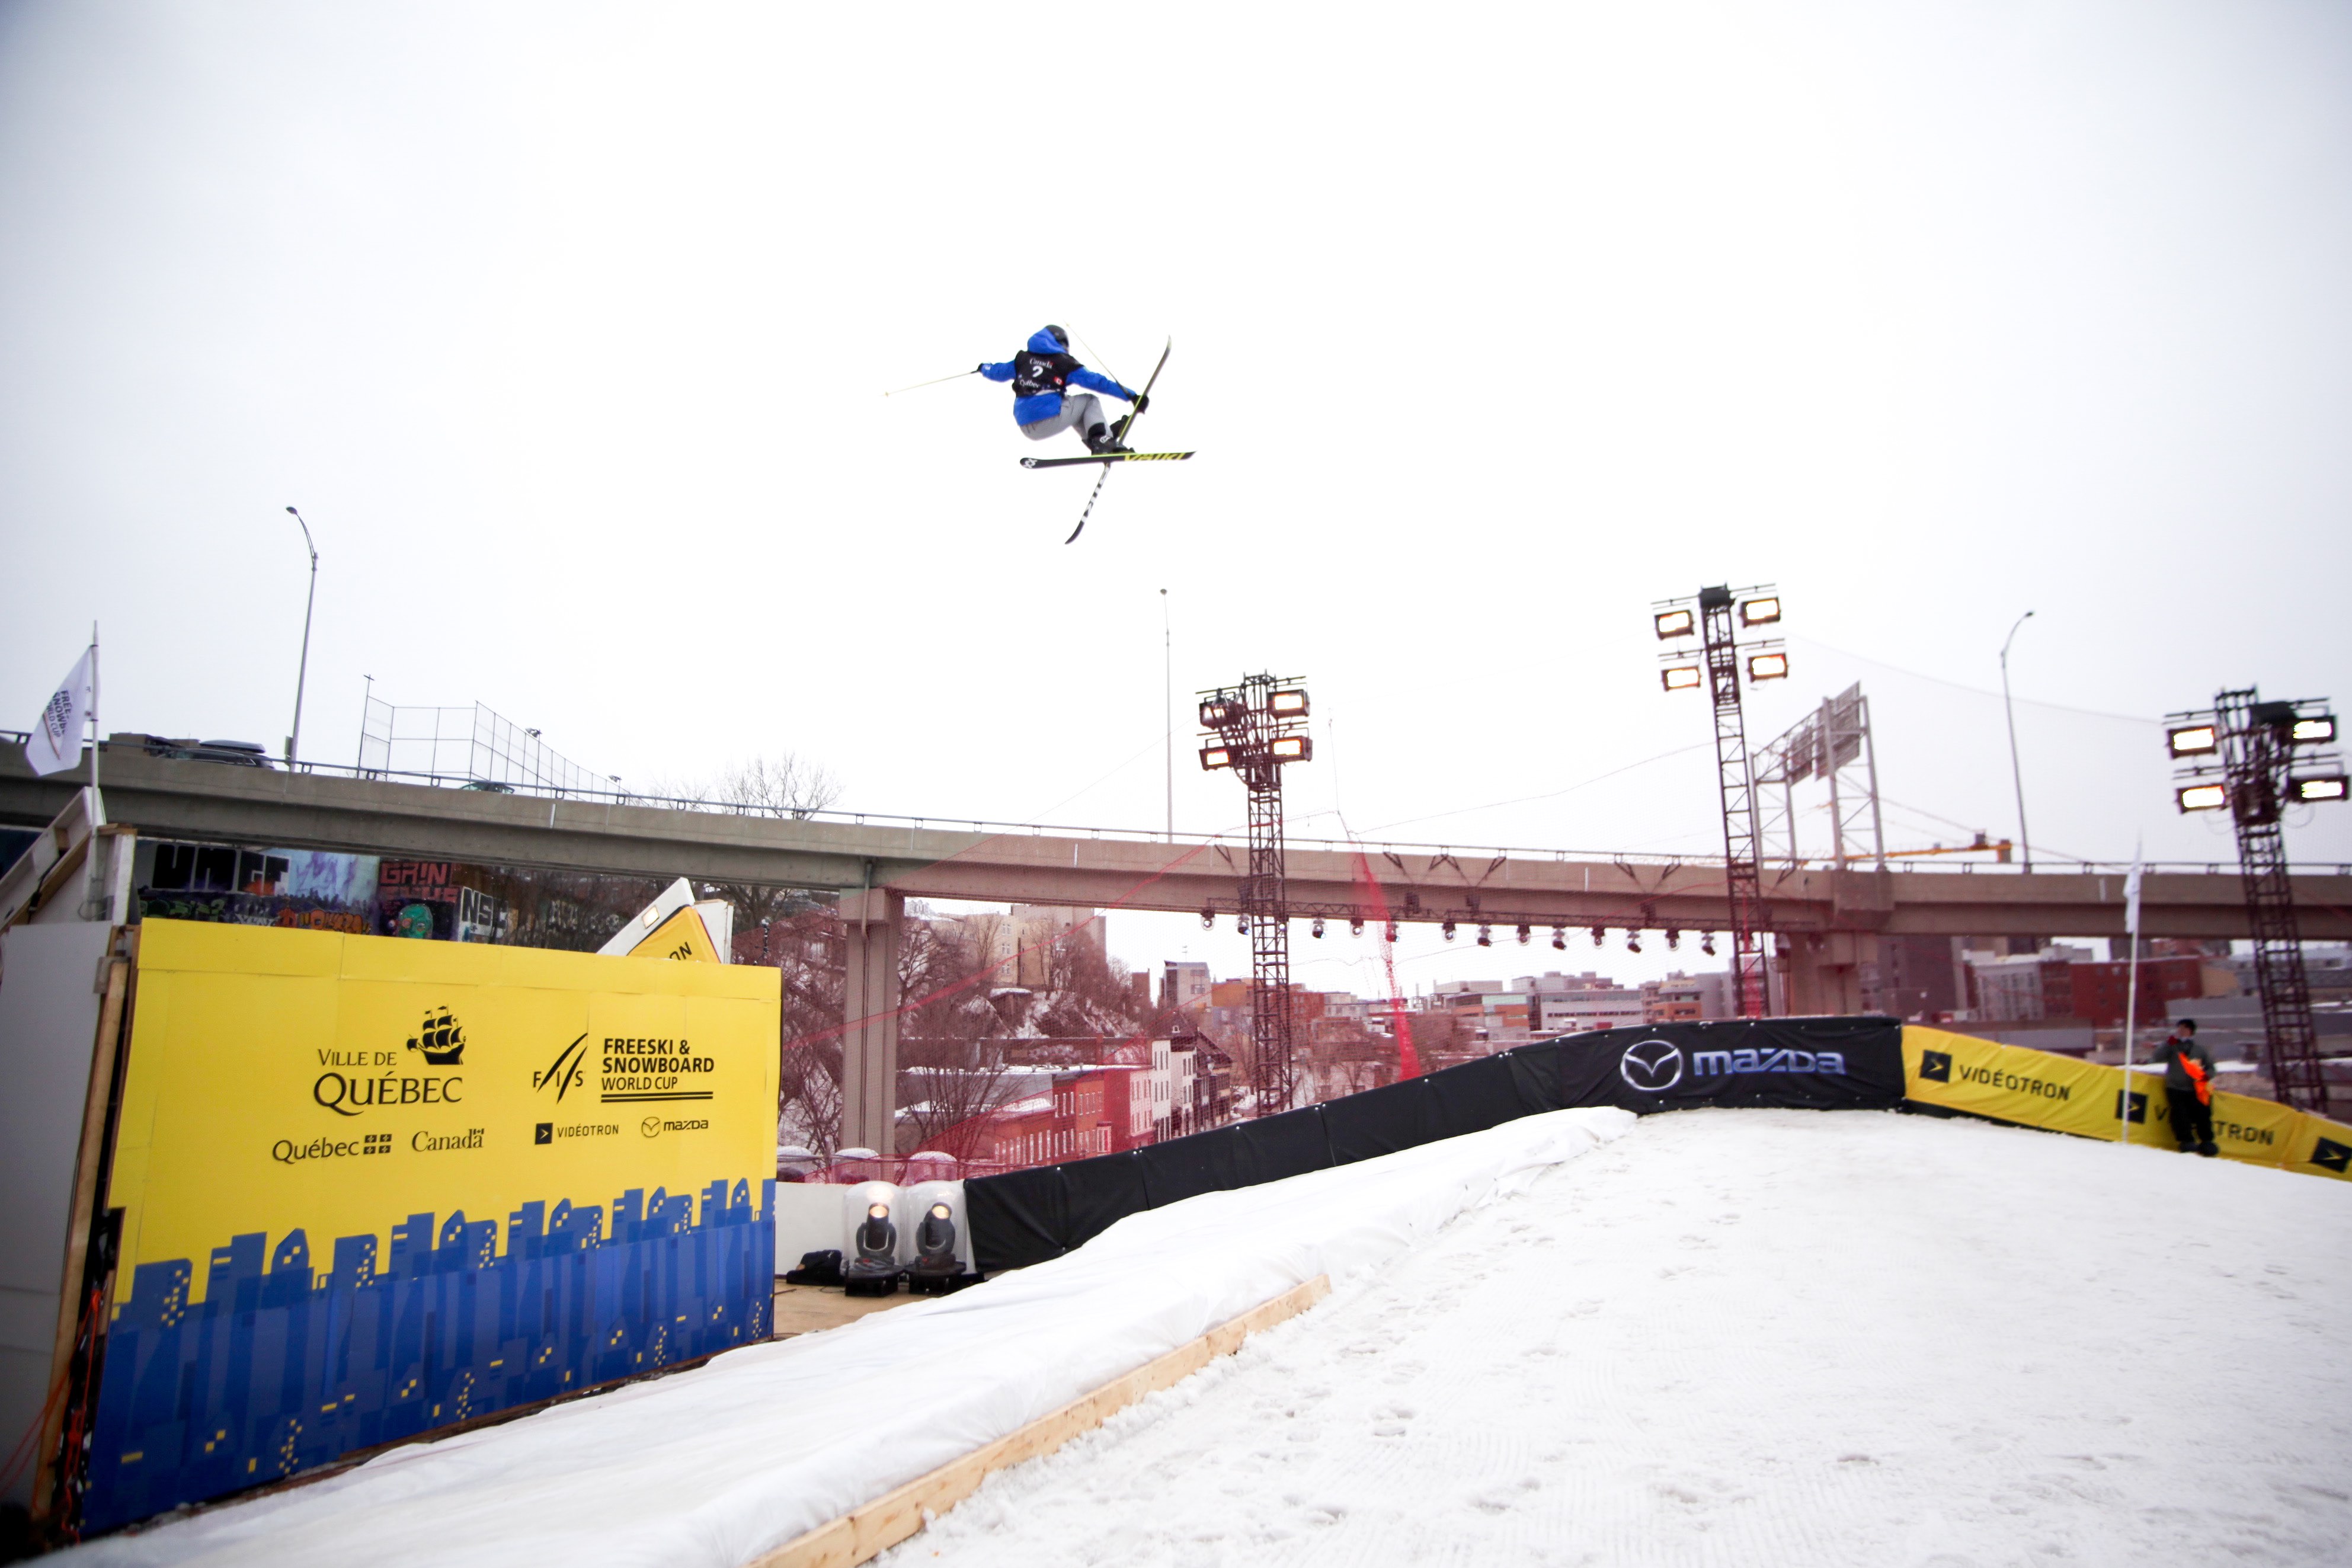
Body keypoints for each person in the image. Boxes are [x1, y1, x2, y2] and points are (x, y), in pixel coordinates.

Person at [978, 326, 1146, 455]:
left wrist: (984, 368)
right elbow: (1096, 382)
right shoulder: (1063, 362)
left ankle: (1100, 435)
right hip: (1047, 418)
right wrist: (1131, 396)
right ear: (1060, 343)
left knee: (1070, 406)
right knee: (1089, 401)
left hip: (1025, 424)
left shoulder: (1023, 359)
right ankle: (1102, 440)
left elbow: (997, 372)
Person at [2159, 1018, 2217, 1157]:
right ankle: (2186, 1140)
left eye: (2184, 1029)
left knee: (2203, 1114)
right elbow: (2157, 1057)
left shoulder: (2199, 1050)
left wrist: (2203, 1077)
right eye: (2179, 1029)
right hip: (2176, 1088)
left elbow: (2211, 1068)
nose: (2180, 1031)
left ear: (2190, 1031)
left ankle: (2207, 1141)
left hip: (2195, 1089)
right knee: (2180, 1115)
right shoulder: (2172, 1047)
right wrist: (2167, 1044)